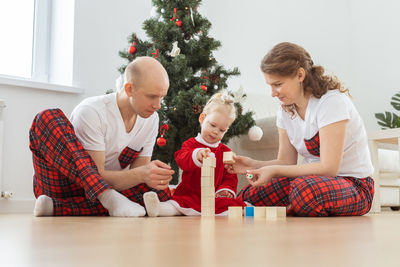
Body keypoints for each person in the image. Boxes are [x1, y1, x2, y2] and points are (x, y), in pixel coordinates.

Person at [226, 42, 374, 216]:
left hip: (354, 185)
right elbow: (286, 162)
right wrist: (253, 165)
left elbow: (329, 168)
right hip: (309, 181)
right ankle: (293, 209)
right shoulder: (285, 110)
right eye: (270, 86)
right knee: (249, 196)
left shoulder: (332, 103)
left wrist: (274, 171)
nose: (273, 93)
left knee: (303, 191)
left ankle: (293, 208)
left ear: (300, 75)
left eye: (278, 84)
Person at [30, 56, 175, 217]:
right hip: (64, 184)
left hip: (109, 191)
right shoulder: (92, 111)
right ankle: (107, 198)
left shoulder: (151, 118)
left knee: (159, 194)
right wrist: (141, 174)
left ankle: (56, 207)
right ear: (129, 89)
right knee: (46, 118)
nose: (158, 105)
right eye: (152, 96)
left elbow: (135, 179)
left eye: (161, 97)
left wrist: (149, 176)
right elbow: (96, 175)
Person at [143, 91, 246, 216]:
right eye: (212, 125)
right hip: (190, 193)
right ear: (202, 118)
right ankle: (158, 208)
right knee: (177, 204)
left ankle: (242, 209)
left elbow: (230, 176)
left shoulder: (225, 151)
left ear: (226, 130)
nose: (215, 132)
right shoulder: (191, 144)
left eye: (221, 130)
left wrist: (225, 190)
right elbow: (181, 159)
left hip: (213, 197)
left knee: (233, 205)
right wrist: (196, 155)